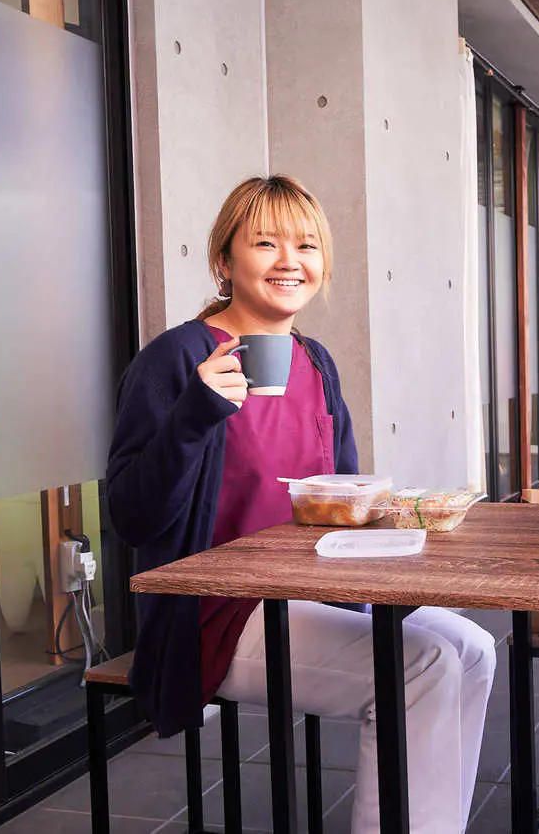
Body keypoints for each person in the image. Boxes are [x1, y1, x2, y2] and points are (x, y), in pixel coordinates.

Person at [107, 175, 495, 833]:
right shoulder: (177, 358)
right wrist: (195, 413)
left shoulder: (314, 361)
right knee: (422, 665)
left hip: (313, 591)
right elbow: (132, 515)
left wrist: (396, 515)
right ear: (223, 261)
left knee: (477, 648)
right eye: (265, 242)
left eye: (307, 245)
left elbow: (338, 492)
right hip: (215, 615)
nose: (291, 260)